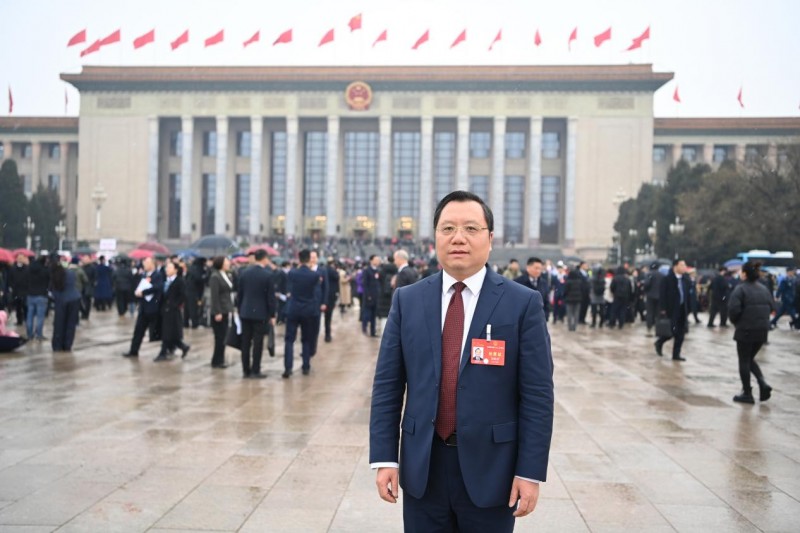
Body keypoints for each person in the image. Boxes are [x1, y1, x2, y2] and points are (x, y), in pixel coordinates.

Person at [369, 191, 554, 531]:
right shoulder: (408, 300)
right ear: (435, 237)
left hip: (493, 470)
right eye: (448, 228)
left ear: (490, 238)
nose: (458, 238)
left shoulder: (522, 303)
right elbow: (387, 386)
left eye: (471, 228)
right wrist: (385, 458)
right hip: (423, 467)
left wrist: (529, 472)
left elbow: (537, 396)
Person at [728, 261, 775, 403]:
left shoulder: (740, 289)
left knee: (744, 360)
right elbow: (771, 306)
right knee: (749, 359)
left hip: (746, 330)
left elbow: (733, 310)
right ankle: (762, 383)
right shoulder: (764, 289)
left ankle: (747, 392)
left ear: (744, 274)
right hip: (762, 330)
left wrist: (737, 322)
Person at [283, 249, 326, 378]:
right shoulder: (314, 275)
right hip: (308, 310)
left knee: (289, 340)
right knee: (306, 339)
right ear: (309, 259)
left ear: (299, 259)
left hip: (293, 309)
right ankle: (306, 366)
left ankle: (288, 368)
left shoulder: (292, 273)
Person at [235, 249, 275, 379]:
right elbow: (270, 298)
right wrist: (272, 315)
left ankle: (245, 369)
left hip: (245, 312)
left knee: (245, 342)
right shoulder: (267, 275)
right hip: (260, 313)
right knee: (258, 343)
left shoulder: (244, 273)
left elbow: (239, 294)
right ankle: (255, 370)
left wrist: (239, 309)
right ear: (264, 258)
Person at [122, 257, 164, 357]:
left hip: (154, 308)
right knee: (138, 330)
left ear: (152, 264)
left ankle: (168, 349)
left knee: (160, 332)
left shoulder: (157, 275)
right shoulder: (144, 275)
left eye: (146, 262)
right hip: (143, 307)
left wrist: (143, 292)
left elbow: (158, 288)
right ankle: (133, 351)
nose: (144, 264)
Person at [655, 259, 691, 361]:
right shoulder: (667, 279)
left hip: (682, 309)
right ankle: (659, 342)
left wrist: (690, 308)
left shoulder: (686, 279)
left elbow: (688, 295)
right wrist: (663, 309)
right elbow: (662, 295)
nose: (684, 267)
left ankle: (676, 355)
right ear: (675, 266)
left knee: (681, 334)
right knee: (670, 331)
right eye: (682, 265)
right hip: (671, 310)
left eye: (685, 265)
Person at [154, 260, 190, 362]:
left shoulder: (180, 281)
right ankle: (183, 347)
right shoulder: (166, 280)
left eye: (169, 268)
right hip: (164, 310)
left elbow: (183, 295)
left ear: (175, 270)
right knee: (170, 333)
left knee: (167, 333)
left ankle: (163, 353)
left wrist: (175, 305)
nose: (167, 270)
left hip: (173, 311)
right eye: (166, 268)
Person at [50, 257, 81, 352]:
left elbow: (52, 289)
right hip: (74, 298)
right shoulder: (71, 273)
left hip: (61, 300)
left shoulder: (54, 275)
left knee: (59, 323)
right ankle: (67, 345)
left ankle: (57, 345)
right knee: (71, 324)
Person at [208, 256, 233, 369]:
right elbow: (214, 296)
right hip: (219, 311)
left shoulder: (226, 274)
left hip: (226, 309)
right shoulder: (215, 276)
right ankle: (217, 361)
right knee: (220, 337)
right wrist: (217, 312)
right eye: (226, 261)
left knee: (223, 336)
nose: (228, 263)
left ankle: (219, 359)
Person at [514, 257, 550, 322]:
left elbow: (546, 302)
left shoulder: (544, 283)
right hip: (522, 321)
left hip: (539, 321)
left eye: (540, 269)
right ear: (528, 267)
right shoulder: (517, 283)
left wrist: (545, 317)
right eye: (536, 268)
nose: (538, 271)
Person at [26, 256, 50, 341]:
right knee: (40, 317)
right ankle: (39, 335)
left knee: (29, 316)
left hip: (30, 295)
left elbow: (25, 281)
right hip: (41, 295)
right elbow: (49, 281)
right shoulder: (45, 270)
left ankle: (29, 335)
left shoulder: (29, 269)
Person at [362, 255, 381, 337]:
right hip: (369, 296)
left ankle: (373, 332)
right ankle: (364, 327)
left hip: (376, 296)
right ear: (371, 260)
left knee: (374, 314)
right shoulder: (367, 270)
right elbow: (365, 284)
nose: (378, 261)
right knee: (367, 313)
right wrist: (368, 295)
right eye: (376, 259)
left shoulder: (378, 270)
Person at [643, 263, 663, 335]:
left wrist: (645, 291)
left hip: (650, 296)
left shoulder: (649, 274)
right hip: (659, 296)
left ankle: (649, 329)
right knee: (658, 313)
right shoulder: (661, 275)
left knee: (650, 313)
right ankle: (658, 329)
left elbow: (646, 284)